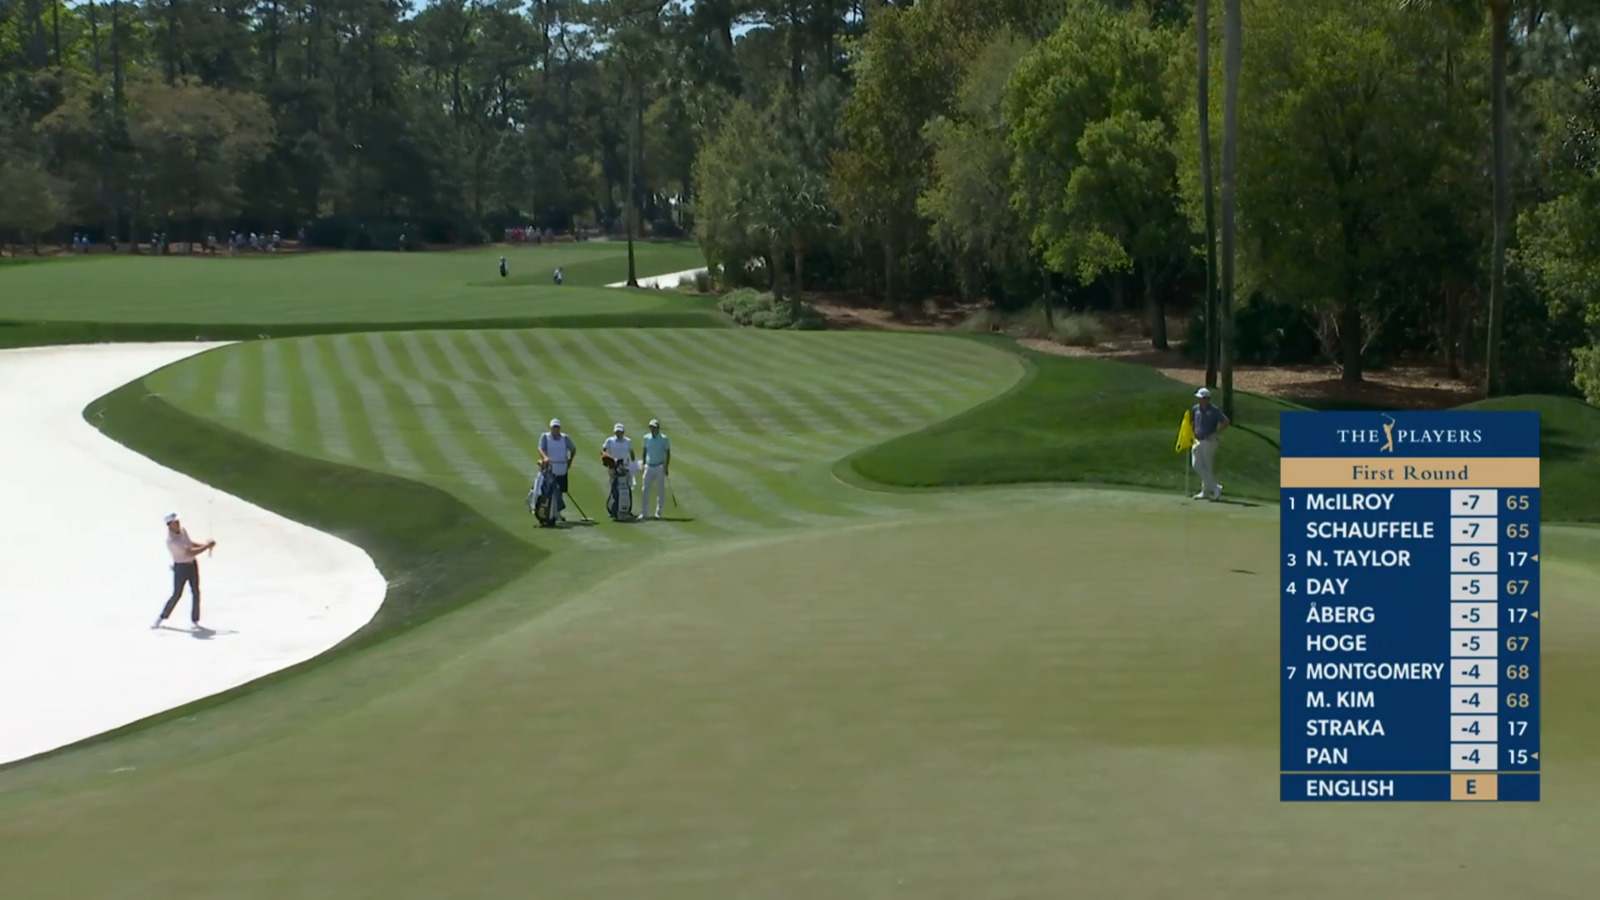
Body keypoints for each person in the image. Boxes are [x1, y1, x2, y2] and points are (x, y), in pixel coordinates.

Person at [153, 512, 215, 630]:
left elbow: (190, 544)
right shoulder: (172, 541)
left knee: (196, 591)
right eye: (175, 522)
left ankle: (195, 619)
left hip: (192, 565)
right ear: (169, 525)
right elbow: (190, 552)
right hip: (181, 568)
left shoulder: (183, 530)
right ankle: (162, 617)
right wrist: (206, 546)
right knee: (177, 594)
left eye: (178, 521)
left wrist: (205, 545)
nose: (178, 523)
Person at [1190, 387, 1230, 500]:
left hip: (1209, 441)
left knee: (1207, 467)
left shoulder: (1214, 410)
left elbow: (1226, 422)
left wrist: (1215, 433)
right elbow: (1192, 422)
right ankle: (1215, 487)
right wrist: (1192, 434)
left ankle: (1205, 491)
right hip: (1197, 440)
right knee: (1196, 465)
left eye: (1201, 398)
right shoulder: (1195, 409)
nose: (1199, 400)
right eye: (1199, 398)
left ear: (1207, 399)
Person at [537, 419, 576, 522]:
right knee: (552, 491)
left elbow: (573, 449)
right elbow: (540, 448)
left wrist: (570, 461)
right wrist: (545, 458)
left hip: (562, 469)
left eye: (557, 427)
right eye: (554, 427)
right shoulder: (545, 437)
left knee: (560, 491)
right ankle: (552, 513)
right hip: (550, 470)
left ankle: (556, 512)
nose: (555, 429)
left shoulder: (565, 438)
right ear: (550, 428)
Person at [600, 422, 637, 520]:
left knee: (627, 489)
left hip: (625, 467)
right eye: (616, 431)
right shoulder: (610, 440)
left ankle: (627, 510)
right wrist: (608, 460)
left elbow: (632, 453)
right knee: (614, 489)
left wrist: (632, 465)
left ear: (623, 432)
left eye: (620, 431)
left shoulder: (628, 441)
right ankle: (614, 510)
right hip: (613, 468)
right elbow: (603, 451)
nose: (618, 433)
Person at [641, 418, 671, 520]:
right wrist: (643, 464)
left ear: (658, 428)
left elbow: (667, 453)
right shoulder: (646, 438)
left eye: (654, 427)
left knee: (660, 491)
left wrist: (666, 466)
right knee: (645, 490)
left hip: (659, 466)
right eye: (651, 427)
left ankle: (658, 513)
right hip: (649, 466)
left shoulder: (664, 438)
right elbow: (644, 451)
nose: (652, 429)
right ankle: (644, 513)